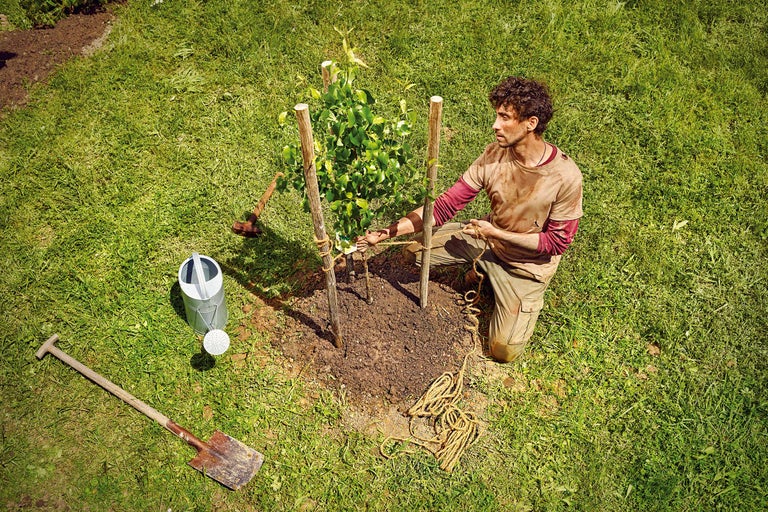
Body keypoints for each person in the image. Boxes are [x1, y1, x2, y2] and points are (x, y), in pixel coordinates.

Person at [357, 76, 583, 363]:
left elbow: (556, 243)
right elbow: (444, 206)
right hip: (485, 240)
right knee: (413, 253)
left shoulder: (565, 177)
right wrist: (385, 233)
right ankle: (482, 270)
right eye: (496, 115)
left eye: (505, 118)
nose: (495, 125)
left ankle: (501, 288)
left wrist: (497, 234)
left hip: (527, 268)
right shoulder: (493, 155)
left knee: (504, 351)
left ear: (531, 123)